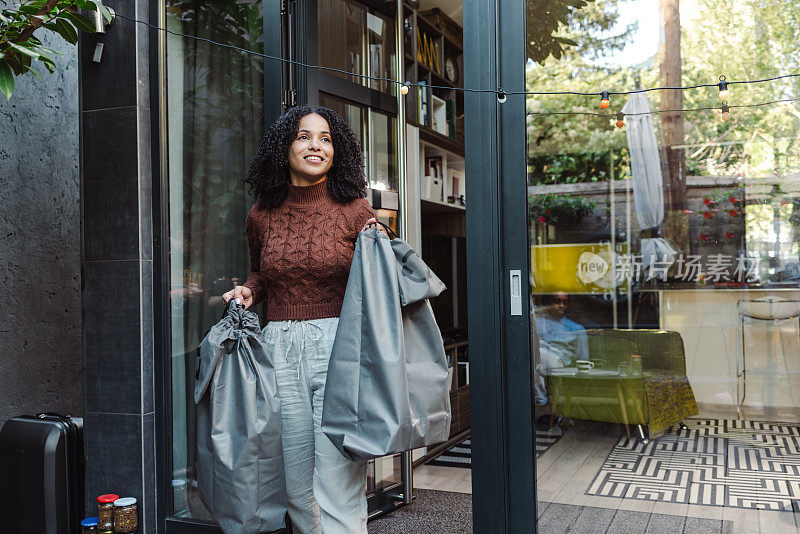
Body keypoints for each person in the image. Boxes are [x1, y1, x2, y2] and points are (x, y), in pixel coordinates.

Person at [223, 105, 377, 534]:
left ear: (337, 150)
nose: (316, 146)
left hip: (339, 349)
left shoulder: (355, 210)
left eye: (326, 138)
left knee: (337, 481)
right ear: (284, 146)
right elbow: (262, 273)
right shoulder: (261, 215)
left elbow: (383, 283)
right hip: (279, 350)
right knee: (295, 486)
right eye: (304, 136)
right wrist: (249, 291)